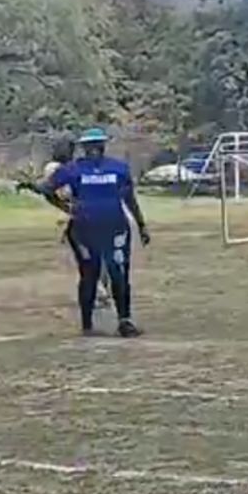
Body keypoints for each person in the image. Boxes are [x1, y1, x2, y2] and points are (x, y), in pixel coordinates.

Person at [35, 128, 149, 337]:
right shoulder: (73, 169)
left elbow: (129, 199)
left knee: (118, 274)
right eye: (90, 146)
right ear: (84, 148)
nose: (94, 150)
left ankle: (124, 321)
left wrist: (141, 225)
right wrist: (67, 208)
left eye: (97, 145)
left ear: (103, 146)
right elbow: (45, 189)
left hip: (115, 229)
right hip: (84, 230)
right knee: (90, 274)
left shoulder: (118, 169)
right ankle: (88, 325)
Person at [21, 138, 114, 308]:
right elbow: (55, 191)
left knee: (94, 257)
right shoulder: (58, 168)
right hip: (82, 216)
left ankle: (99, 292)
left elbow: (52, 192)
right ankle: (98, 292)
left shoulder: (74, 167)